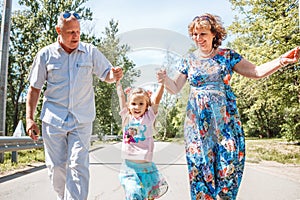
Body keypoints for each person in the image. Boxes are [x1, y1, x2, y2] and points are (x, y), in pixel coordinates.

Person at [156, 13, 300, 200]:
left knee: (228, 169)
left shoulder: (227, 56)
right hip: (198, 127)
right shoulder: (189, 60)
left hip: (225, 124)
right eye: (195, 34)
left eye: (203, 34)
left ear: (214, 34)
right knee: (200, 172)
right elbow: (175, 88)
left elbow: (255, 71)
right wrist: (165, 80)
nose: (198, 38)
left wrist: (281, 60)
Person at [25, 11, 123, 200]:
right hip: (53, 120)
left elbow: (107, 75)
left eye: (77, 31)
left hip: (81, 119)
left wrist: (115, 75)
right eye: (70, 32)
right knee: (57, 168)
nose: (75, 36)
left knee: (78, 164)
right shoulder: (46, 55)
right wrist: (30, 118)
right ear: (58, 31)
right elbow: (34, 89)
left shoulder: (90, 52)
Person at [116, 80, 168, 200]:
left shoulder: (148, 118)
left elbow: (157, 100)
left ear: (146, 106)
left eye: (141, 104)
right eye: (133, 103)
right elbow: (121, 96)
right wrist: (118, 82)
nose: (137, 107)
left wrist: (162, 84)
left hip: (146, 168)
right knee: (134, 193)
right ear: (128, 105)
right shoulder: (126, 117)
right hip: (129, 168)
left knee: (146, 197)